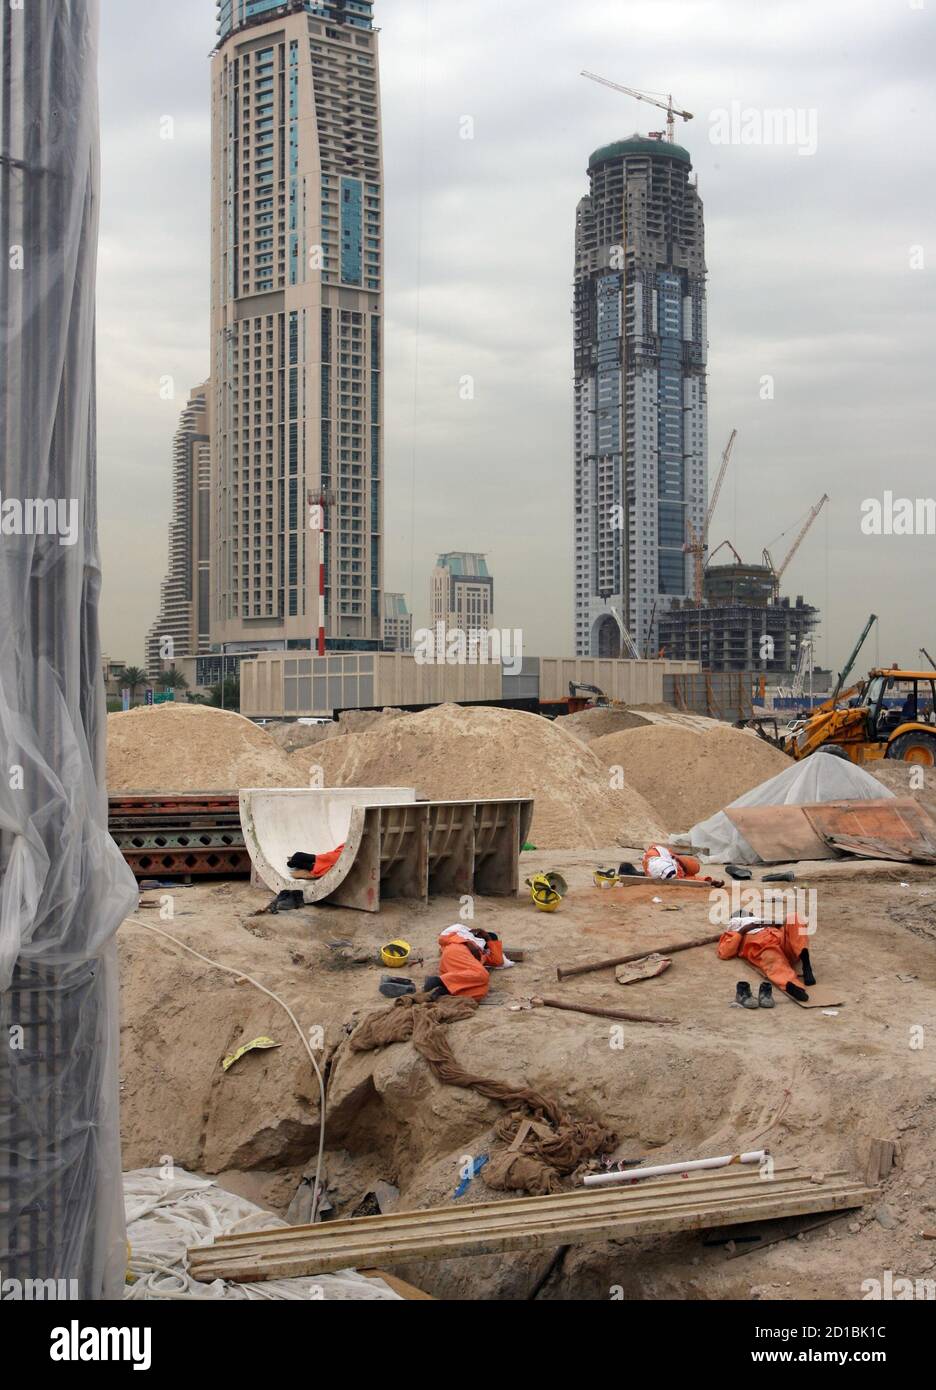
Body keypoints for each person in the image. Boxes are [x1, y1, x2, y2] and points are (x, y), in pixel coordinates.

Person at [717, 914, 815, 1002]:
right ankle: (792, 986)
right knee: (773, 959)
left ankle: (806, 964)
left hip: (785, 946)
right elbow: (725, 953)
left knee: (794, 918)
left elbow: (790, 934)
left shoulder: (767, 924)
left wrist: (777, 925)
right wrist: (743, 930)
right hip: (765, 948)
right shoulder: (733, 933)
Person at [424, 924, 504, 1001]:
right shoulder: (463, 937)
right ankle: (437, 980)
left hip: (456, 969)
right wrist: (468, 940)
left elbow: (498, 961)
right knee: (482, 974)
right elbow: (444, 937)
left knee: (482, 991)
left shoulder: (483, 955)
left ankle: (444, 990)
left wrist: (489, 939)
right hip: (457, 950)